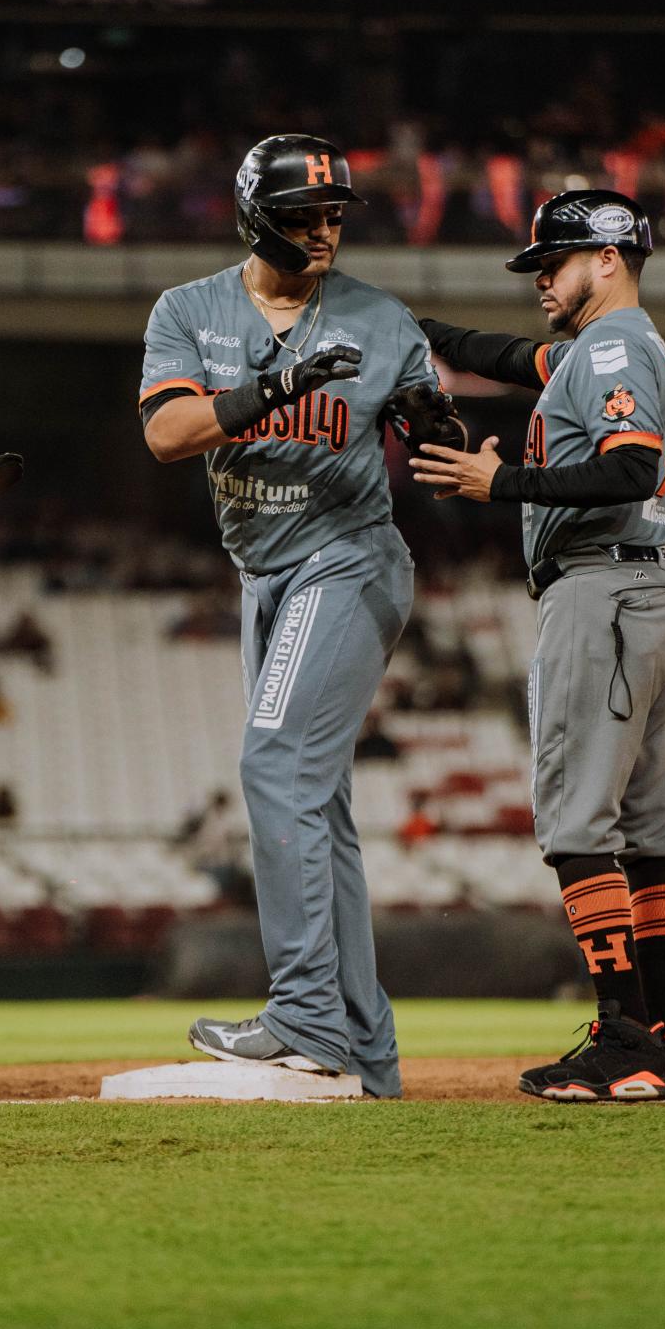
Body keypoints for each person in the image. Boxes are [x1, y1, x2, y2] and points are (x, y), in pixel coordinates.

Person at [140, 133, 465, 1097]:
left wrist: (433, 425)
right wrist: (274, 386)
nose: (323, 231)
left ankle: (305, 1017)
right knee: (315, 802)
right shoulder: (188, 309)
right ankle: (365, 1054)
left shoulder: (380, 316)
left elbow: (422, 416)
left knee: (274, 764)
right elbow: (164, 433)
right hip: (263, 576)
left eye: (333, 215)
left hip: (348, 557)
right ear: (253, 217)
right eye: (302, 215)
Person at [412, 189, 665, 1104]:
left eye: (553, 262)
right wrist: (407, 325)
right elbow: (499, 355)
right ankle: (661, 1047)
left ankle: (622, 1038)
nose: (539, 278)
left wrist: (502, 482)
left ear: (607, 259)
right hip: (650, 589)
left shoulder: (611, 345)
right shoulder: (602, 348)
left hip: (602, 592)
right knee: (650, 839)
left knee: (578, 826)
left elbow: (628, 465)